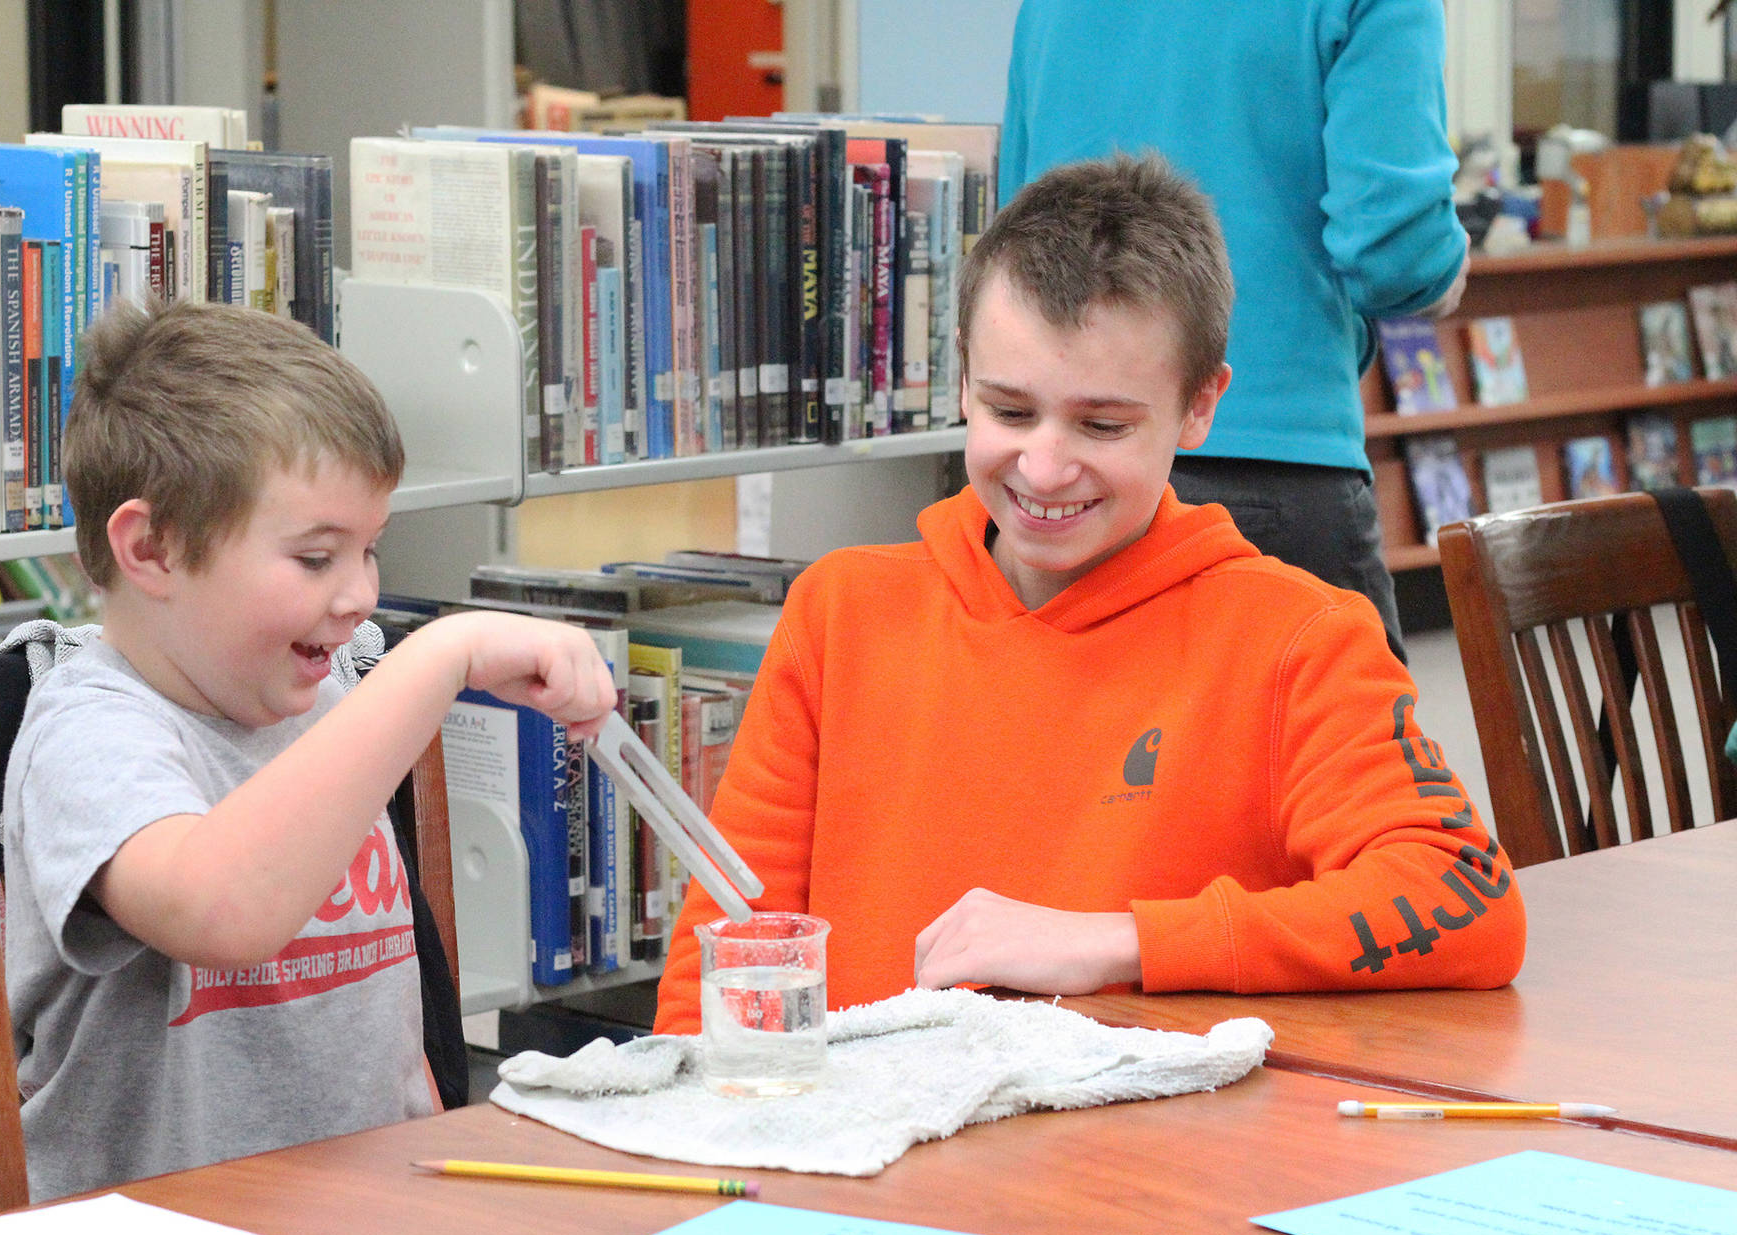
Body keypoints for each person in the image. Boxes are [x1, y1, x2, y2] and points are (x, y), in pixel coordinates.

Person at [653, 155, 1523, 1033]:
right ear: (961, 381)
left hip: (1128, 1153)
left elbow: (1469, 901)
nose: (1043, 467)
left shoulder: (1299, 639)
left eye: (1102, 425)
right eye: (1009, 411)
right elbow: (721, 962)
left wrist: (1121, 944)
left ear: (1198, 408)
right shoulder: (839, 614)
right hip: (866, 1147)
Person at [4, 301, 618, 1200]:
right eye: (316, 557)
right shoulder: (86, 734)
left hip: (375, 1215)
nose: (360, 596)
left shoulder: (331, 691)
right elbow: (222, 914)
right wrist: (438, 659)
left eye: (370, 549)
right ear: (153, 547)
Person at [996, 0, 1473, 661]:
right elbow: (1396, 251)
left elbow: (1015, 245)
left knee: (1074, 758)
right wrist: (1444, 274)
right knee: (1345, 759)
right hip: (1270, 461)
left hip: (1062, 474)